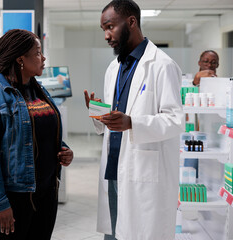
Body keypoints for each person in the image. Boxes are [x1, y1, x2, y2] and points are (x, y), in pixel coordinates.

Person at [83, 1, 185, 239]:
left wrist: (132, 123)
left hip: (143, 171)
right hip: (114, 168)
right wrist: (97, 112)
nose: (107, 36)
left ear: (131, 22)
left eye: (110, 27)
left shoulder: (162, 65)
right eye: (103, 30)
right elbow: (115, 116)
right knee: (115, 232)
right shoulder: (114, 68)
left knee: (139, 232)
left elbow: (174, 119)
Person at [0, 29, 74, 240]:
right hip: (15, 198)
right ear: (20, 59)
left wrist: (62, 148)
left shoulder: (40, 91)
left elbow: (39, 133)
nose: (43, 57)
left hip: (46, 192)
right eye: (38, 52)